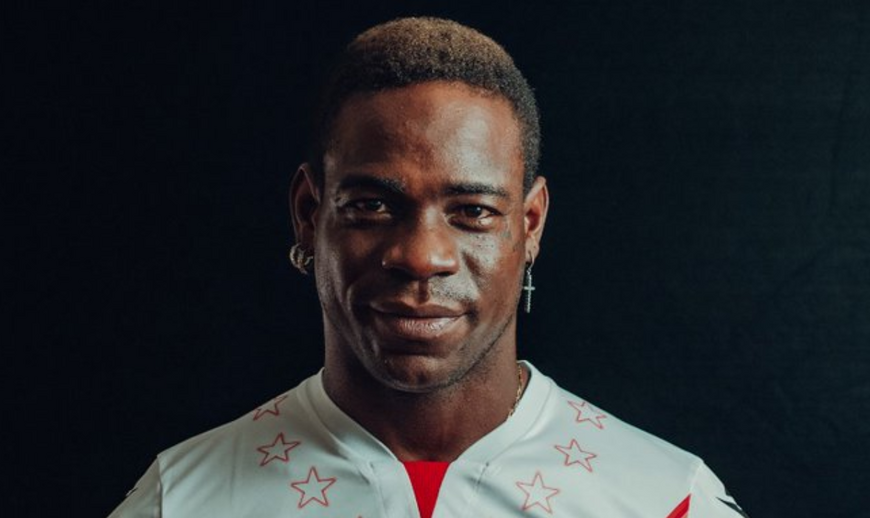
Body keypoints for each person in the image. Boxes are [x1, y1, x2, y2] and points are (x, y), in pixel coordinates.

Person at [109, 17, 747, 518]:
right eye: (371, 206)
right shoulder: (183, 500)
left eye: (472, 212)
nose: (421, 256)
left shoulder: (664, 501)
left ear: (529, 226)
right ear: (308, 214)